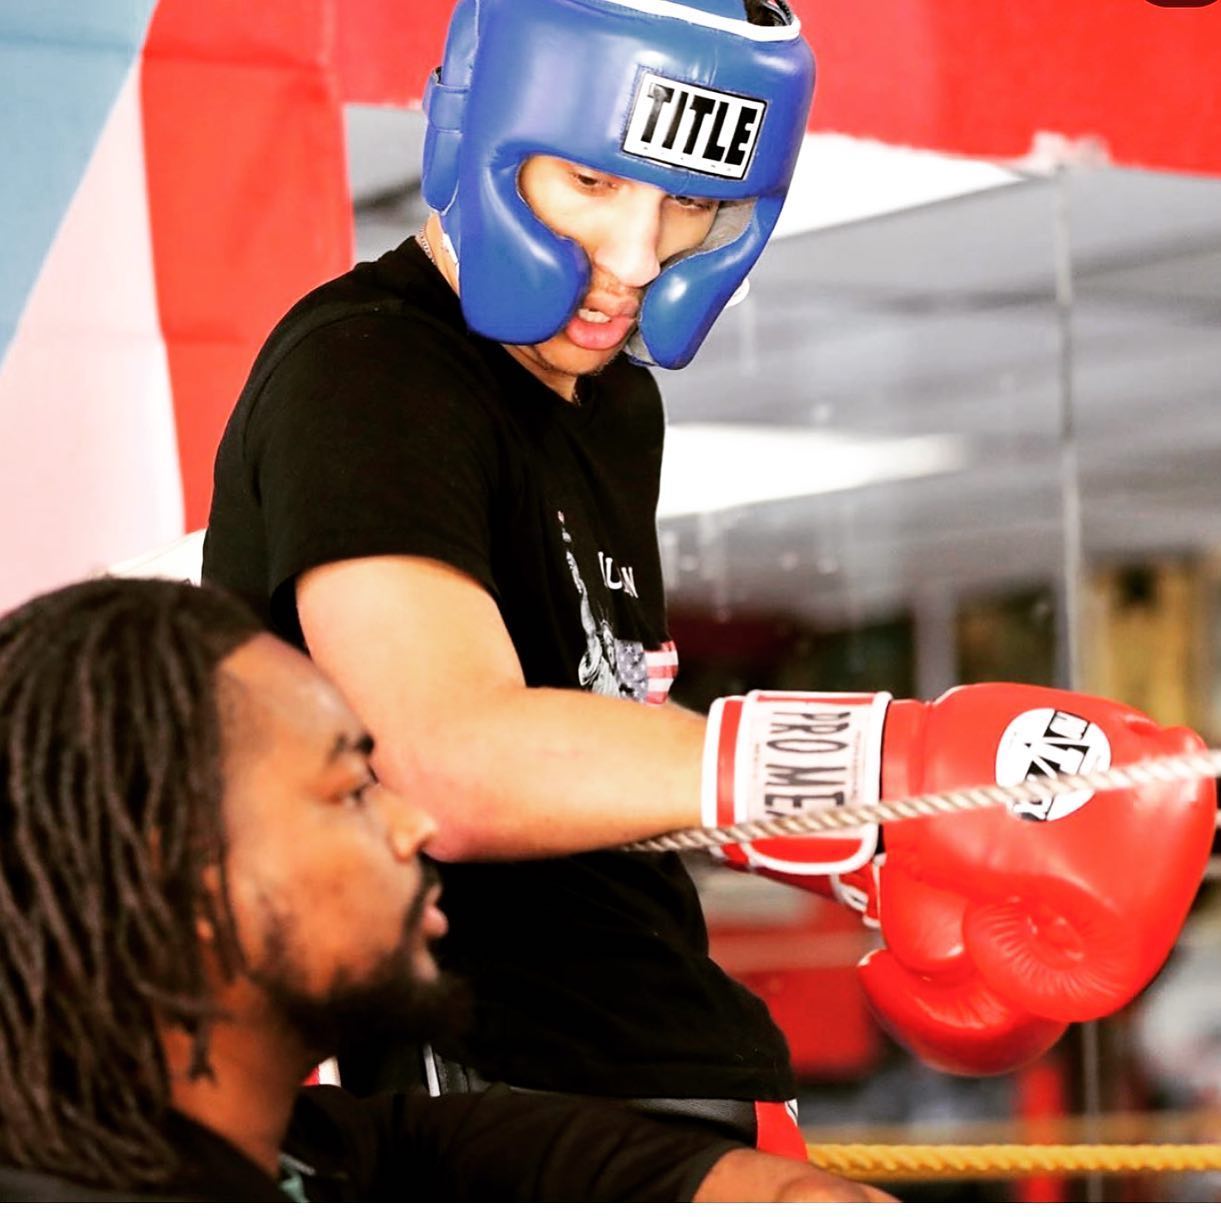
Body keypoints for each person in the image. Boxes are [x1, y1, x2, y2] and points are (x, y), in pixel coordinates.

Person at [202, 0, 1216, 1150]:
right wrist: (892, 756)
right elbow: (447, 759)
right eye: (590, 184)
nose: (636, 258)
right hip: (481, 1077)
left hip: (659, 1048)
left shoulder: (610, 400)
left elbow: (581, 735)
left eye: (687, 200)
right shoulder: (371, 368)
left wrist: (869, 832)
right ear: (474, 129)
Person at [0, 576, 894, 1202]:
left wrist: (759, 1187)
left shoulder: (303, 1152)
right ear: (181, 874)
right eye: (351, 791)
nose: (411, 825)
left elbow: (498, 1157)